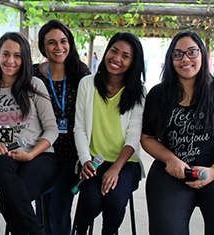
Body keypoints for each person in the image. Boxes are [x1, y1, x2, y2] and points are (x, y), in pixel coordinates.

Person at [141, 30, 214, 234]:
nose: (185, 59)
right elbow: (147, 138)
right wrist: (171, 160)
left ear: (202, 54)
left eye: (192, 52)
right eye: (178, 54)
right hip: (171, 170)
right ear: (170, 58)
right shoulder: (158, 94)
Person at [0, 32, 59, 235]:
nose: (10, 61)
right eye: (6, 54)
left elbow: (52, 129)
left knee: (6, 202)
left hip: (40, 156)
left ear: (24, 59)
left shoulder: (34, 85)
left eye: (17, 55)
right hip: (10, 154)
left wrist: (31, 154)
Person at [73, 32, 146, 235]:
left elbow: (134, 135)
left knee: (114, 201)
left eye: (125, 55)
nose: (117, 58)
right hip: (94, 161)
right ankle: (80, 231)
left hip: (125, 163)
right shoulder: (87, 84)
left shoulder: (138, 92)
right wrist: (85, 159)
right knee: (91, 200)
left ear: (132, 63)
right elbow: (79, 127)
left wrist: (115, 169)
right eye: (114, 51)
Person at [33, 19, 91, 235]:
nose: (59, 47)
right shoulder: (32, 74)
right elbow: (7, 89)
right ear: (43, 47)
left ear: (70, 43)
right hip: (41, 150)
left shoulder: (80, 73)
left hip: (71, 154)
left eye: (63, 41)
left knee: (59, 208)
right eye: (51, 43)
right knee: (42, 207)